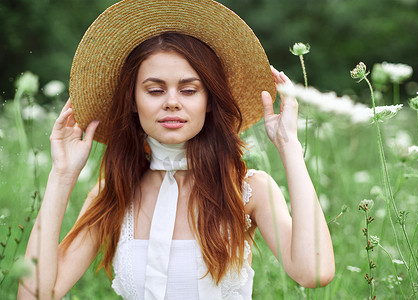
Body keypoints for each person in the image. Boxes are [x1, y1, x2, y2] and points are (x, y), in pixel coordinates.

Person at [17, 0, 334, 299]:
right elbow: (35, 293)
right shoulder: (112, 194)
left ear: (209, 101)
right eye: (155, 90)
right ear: (133, 100)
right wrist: (62, 175)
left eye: (189, 89)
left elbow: (314, 272)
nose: (171, 101)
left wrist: (288, 144)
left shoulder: (249, 190)